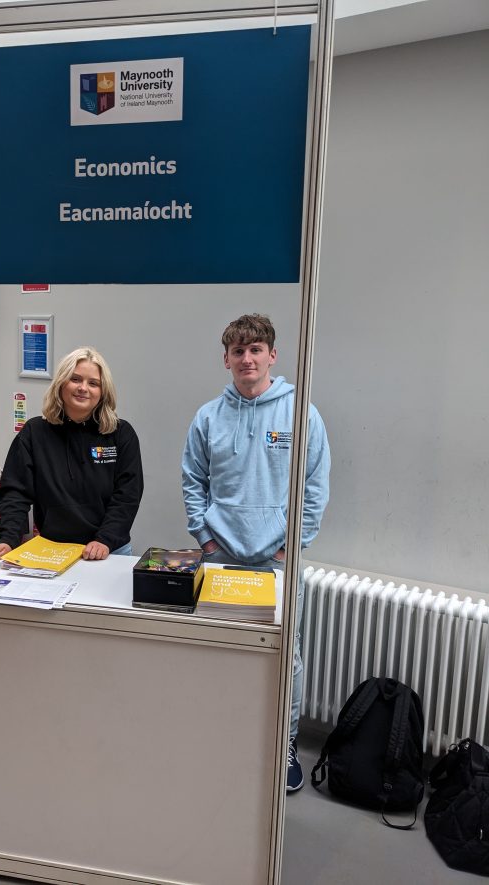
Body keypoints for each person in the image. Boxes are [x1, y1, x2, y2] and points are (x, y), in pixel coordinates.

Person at [182, 314, 330, 792]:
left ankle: (282, 744)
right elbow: (192, 482)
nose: (247, 359)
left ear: (273, 355)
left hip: (276, 563)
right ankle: (224, 738)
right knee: (221, 654)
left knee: (285, 658)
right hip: (221, 557)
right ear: (226, 359)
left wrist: (291, 547)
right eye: (238, 351)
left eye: (256, 349)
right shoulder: (208, 417)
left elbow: (314, 488)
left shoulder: (301, 413)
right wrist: (206, 541)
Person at [0, 346, 143, 566]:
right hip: (51, 551)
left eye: (93, 383)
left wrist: (104, 539)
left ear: (103, 391)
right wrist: (9, 539)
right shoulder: (34, 433)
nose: (83, 388)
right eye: (75, 379)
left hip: (108, 551)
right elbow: (15, 494)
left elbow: (127, 496)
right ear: (61, 383)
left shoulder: (120, 434)